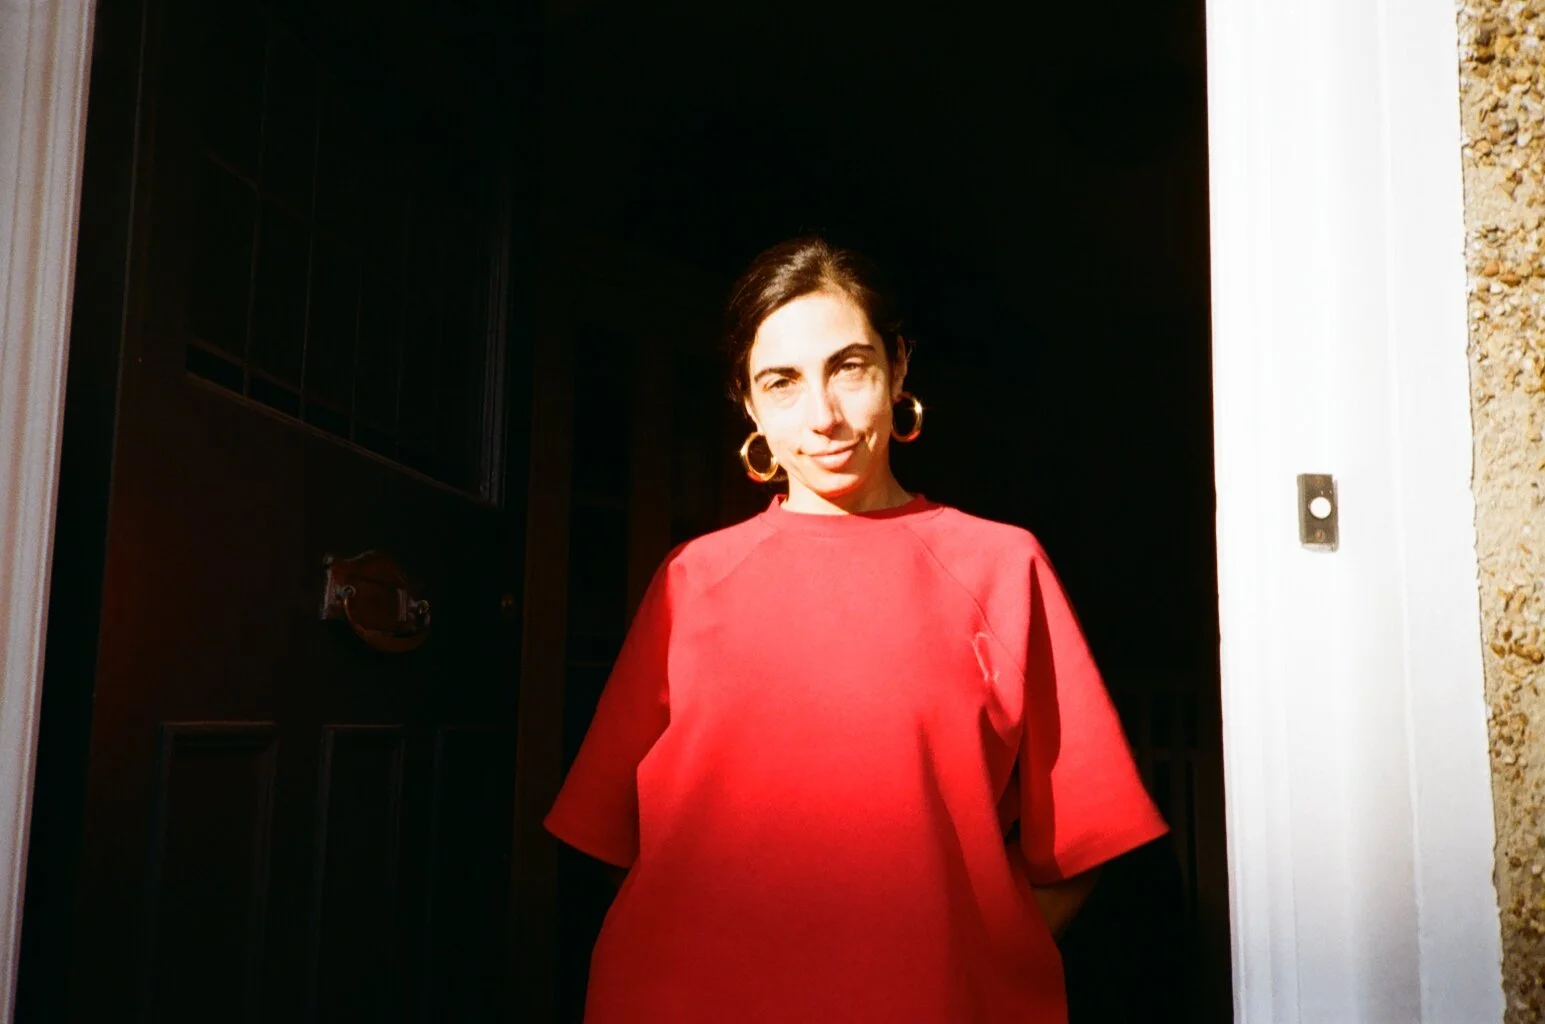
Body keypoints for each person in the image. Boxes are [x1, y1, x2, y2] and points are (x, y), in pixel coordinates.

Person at [545, 236, 1167, 1022]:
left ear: (897, 367)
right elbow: (614, 837)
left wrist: (955, 951)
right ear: (746, 401)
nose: (824, 417)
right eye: (782, 382)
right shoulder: (690, 580)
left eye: (849, 367)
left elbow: (1079, 845)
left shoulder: (1000, 566)